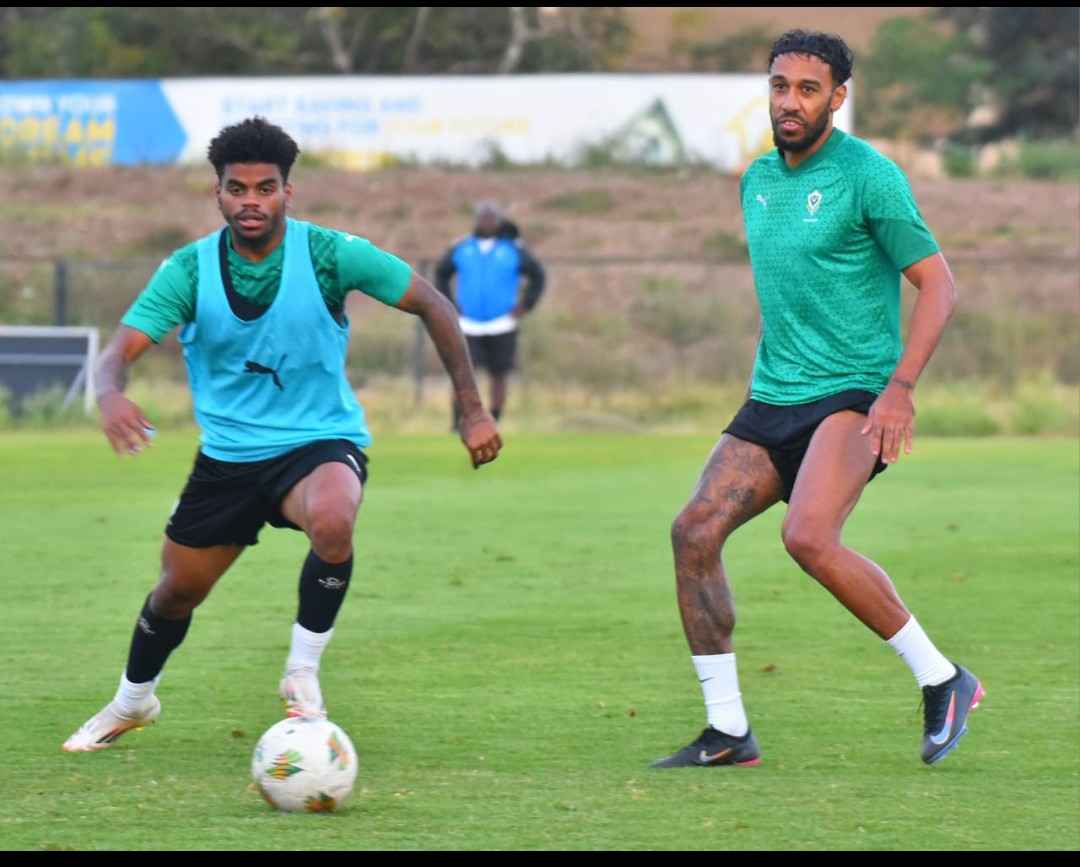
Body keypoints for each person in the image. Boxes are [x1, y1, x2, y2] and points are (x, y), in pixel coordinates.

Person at [62, 116, 502, 752]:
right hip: (229, 459)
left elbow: (433, 302)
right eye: (237, 188)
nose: (250, 201)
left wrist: (472, 408)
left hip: (318, 443)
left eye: (265, 188)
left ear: (287, 193)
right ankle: (133, 702)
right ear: (217, 194)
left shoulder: (330, 253)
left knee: (333, 519)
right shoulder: (187, 270)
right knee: (176, 591)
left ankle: (302, 673)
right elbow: (121, 349)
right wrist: (109, 393)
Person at [650, 29, 983, 770]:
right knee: (693, 532)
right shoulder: (757, 180)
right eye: (779, 85)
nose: (790, 101)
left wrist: (900, 389)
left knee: (808, 538)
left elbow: (938, 284)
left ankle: (943, 677)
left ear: (838, 97)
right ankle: (728, 731)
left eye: (808, 88)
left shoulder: (870, 176)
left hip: (855, 394)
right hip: (774, 397)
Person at [434, 200, 546, 430]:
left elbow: (539, 277)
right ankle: (459, 422)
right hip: (467, 324)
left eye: (491, 218)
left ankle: (494, 419)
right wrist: (450, 304)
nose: (487, 222)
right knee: (463, 373)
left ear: (499, 221)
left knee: (499, 374)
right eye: (483, 217)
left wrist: (525, 306)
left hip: (502, 323)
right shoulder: (463, 247)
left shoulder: (513, 249)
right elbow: (441, 274)